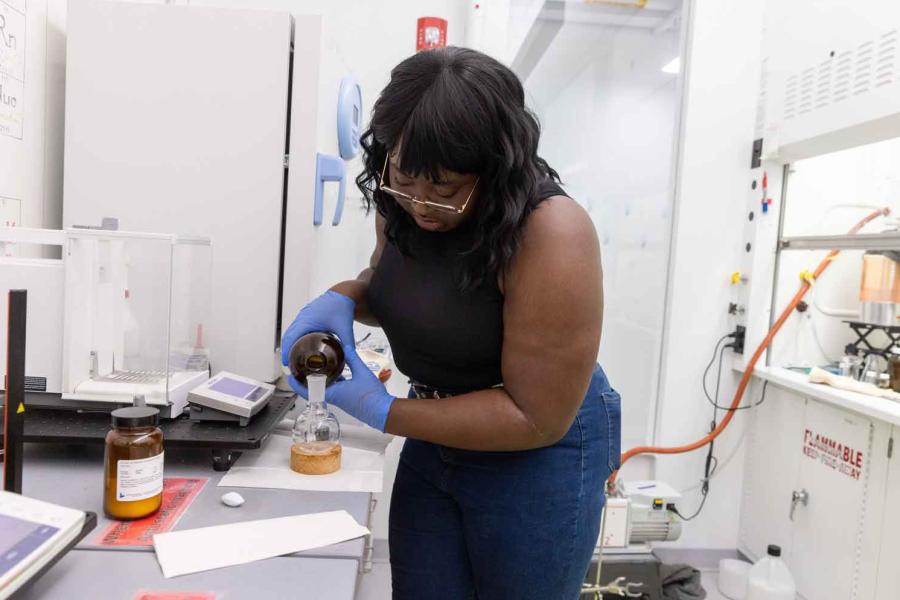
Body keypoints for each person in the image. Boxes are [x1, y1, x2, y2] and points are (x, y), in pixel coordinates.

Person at [282, 46, 621, 600]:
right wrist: (344, 299)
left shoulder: (552, 232)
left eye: (443, 190)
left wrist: (383, 411)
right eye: (406, 178)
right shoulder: (403, 198)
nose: (419, 203)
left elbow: (535, 417)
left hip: (536, 453)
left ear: (494, 168)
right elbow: (398, 284)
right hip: (435, 427)